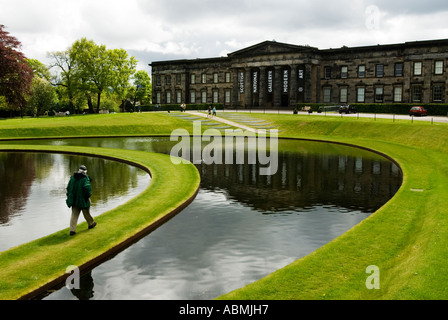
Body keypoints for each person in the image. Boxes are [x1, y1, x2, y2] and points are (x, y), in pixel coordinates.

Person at [66, 165, 96, 236]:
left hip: (74, 200)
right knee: (86, 213)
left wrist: (70, 196)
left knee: (74, 215)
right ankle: (90, 224)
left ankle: (72, 230)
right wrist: (87, 196)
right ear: (85, 171)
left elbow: (68, 188)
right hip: (83, 200)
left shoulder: (72, 178)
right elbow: (87, 189)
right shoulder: (85, 179)